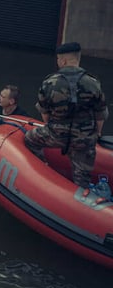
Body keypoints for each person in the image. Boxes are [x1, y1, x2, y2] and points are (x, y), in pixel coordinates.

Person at [24, 42, 107, 189]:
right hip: (84, 139)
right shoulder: (93, 82)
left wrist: (53, 128)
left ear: (63, 61)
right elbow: (100, 114)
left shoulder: (49, 82)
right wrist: (96, 134)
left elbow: (45, 114)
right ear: (78, 59)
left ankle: (42, 168)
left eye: (58, 59)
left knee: (29, 139)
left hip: (56, 135)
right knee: (83, 180)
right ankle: (81, 195)